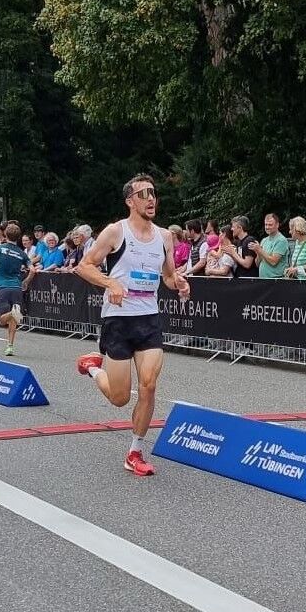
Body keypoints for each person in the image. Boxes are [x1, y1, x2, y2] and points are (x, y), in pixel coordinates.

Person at [75, 173, 190, 477]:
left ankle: (135, 451)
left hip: (148, 319)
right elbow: (83, 266)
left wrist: (178, 282)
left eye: (153, 193)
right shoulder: (115, 232)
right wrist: (109, 281)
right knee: (119, 398)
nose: (151, 199)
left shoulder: (165, 236)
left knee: (149, 386)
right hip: (118, 320)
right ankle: (93, 368)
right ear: (129, 201)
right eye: (143, 194)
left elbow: (167, 276)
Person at [0, 223, 36, 356]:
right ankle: (10, 346)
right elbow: (33, 269)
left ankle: (13, 313)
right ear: (18, 238)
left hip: (1, 286)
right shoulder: (21, 253)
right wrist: (26, 281)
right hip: (16, 287)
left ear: (5, 235)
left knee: (2, 319)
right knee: (13, 320)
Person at [250, 213, 289, 278]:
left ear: (277, 225)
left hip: (276, 280)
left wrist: (260, 250)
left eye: (270, 225)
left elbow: (273, 262)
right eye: (266, 224)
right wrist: (258, 252)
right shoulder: (264, 240)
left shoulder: (281, 240)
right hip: (263, 279)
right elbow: (257, 264)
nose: (267, 227)